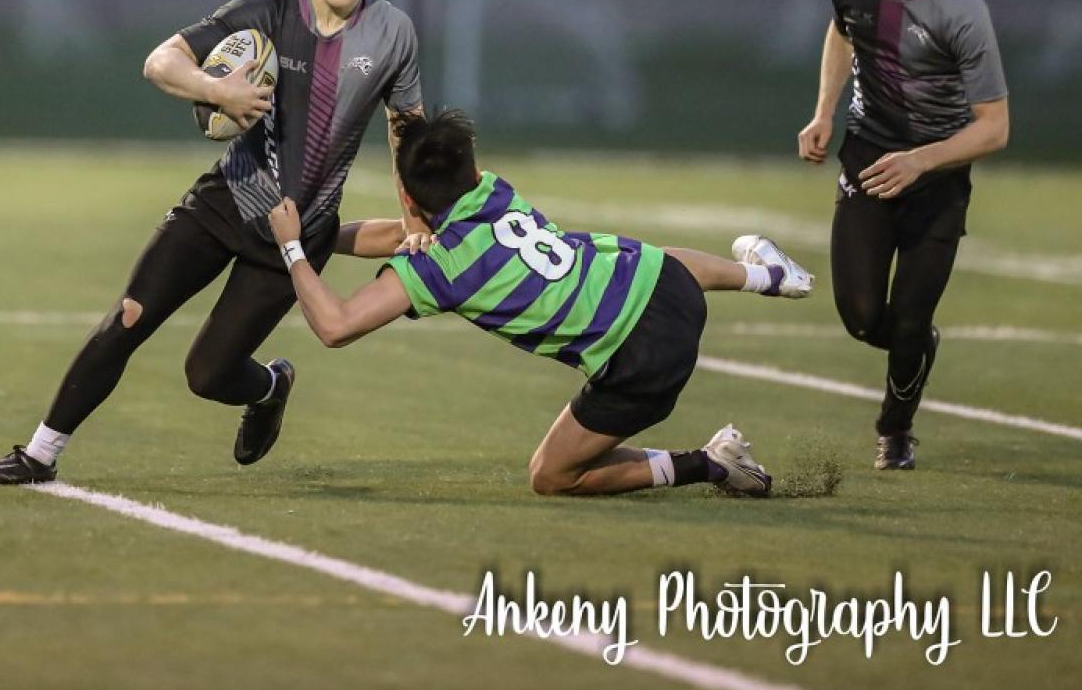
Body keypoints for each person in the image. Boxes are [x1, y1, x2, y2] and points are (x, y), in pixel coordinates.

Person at [0, 0, 427, 485]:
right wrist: (217, 90)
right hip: (224, 202)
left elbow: (408, 131)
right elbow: (161, 60)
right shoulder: (267, 10)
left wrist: (417, 219)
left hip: (297, 233)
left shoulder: (394, 34)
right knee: (129, 316)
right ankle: (38, 454)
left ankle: (269, 385)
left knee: (207, 376)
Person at [269, 109, 813, 498]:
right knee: (613, 253)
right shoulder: (494, 191)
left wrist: (292, 247)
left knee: (551, 477)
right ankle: (765, 274)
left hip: (641, 362)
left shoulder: (442, 271)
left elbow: (336, 326)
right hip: (671, 289)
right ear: (472, 171)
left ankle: (711, 465)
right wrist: (324, 234)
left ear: (409, 197)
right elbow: (397, 234)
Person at [795, 0, 1010, 471]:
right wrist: (823, 113)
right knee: (863, 317)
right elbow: (843, 32)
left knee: (911, 316)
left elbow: (995, 128)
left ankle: (895, 430)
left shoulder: (962, 11)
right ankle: (916, 347)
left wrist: (921, 162)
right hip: (867, 158)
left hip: (937, 176)